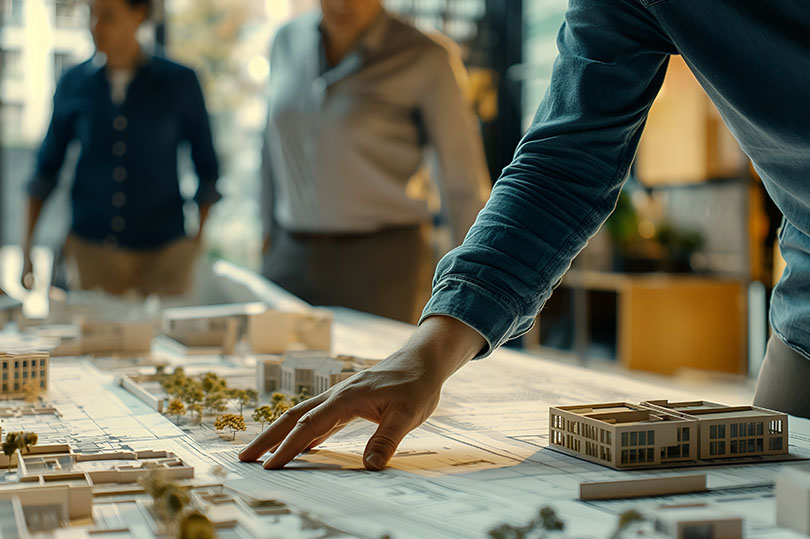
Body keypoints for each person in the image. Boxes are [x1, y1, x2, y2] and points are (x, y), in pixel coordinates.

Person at [240, 0, 810, 471]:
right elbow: (562, 168)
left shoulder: (422, 56)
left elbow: (462, 183)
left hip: (385, 252)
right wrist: (433, 349)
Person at [261, 0, 491, 324]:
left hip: (382, 264)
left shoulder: (427, 56)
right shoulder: (285, 40)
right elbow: (270, 142)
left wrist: (475, 286)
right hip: (289, 257)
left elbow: (462, 181)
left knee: (376, 371)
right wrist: (266, 230)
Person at [24, 0, 220, 296]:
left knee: (164, 340)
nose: (95, 26)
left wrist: (196, 242)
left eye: (108, 16)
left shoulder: (179, 83)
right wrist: (27, 249)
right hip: (92, 253)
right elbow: (45, 170)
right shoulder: (73, 84)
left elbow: (208, 169)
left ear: (139, 15)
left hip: (165, 255)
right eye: (91, 14)